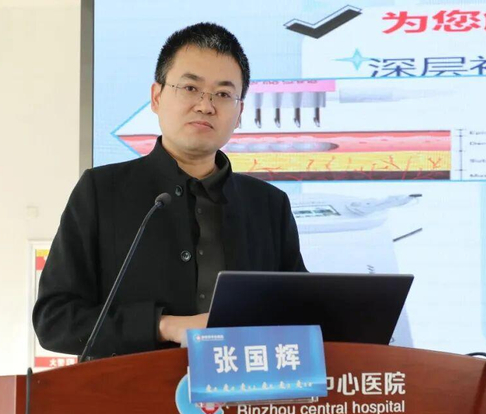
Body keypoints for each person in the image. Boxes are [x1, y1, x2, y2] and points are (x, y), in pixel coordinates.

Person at [33, 22, 306, 359]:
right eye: (190, 88)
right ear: (157, 97)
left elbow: (299, 310)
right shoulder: (102, 192)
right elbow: (54, 320)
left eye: (223, 94)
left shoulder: (268, 205)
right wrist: (162, 325)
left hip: (243, 387)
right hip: (131, 389)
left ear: (239, 113)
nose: (205, 105)